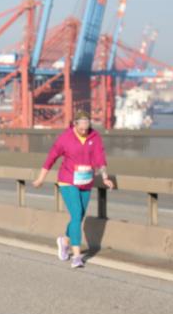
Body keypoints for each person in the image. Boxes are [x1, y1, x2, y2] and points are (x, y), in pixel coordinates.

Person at [32, 111, 113, 268]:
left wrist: (104, 177)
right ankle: (76, 256)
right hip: (68, 180)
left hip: (86, 182)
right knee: (76, 215)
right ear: (74, 124)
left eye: (87, 123)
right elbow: (51, 158)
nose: (84, 127)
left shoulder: (94, 137)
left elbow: (100, 158)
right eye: (81, 124)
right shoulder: (65, 138)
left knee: (79, 216)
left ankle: (64, 241)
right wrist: (41, 178)